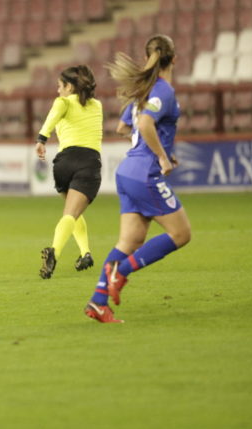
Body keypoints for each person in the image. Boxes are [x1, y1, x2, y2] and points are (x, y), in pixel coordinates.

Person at [86, 35, 191, 323]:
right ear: (175, 59)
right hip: (145, 173)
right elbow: (145, 124)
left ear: (148, 57)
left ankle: (98, 302)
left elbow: (123, 127)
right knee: (181, 234)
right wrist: (161, 156)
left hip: (127, 171)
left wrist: (160, 149)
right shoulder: (163, 90)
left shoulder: (143, 91)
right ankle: (120, 272)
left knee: (129, 240)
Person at [35, 65, 103, 279]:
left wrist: (41, 139)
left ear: (69, 87)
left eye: (60, 86)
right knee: (71, 214)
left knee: (72, 212)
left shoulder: (63, 102)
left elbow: (52, 117)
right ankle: (54, 252)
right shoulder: (97, 105)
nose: (58, 91)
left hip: (64, 163)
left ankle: (85, 253)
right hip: (88, 162)